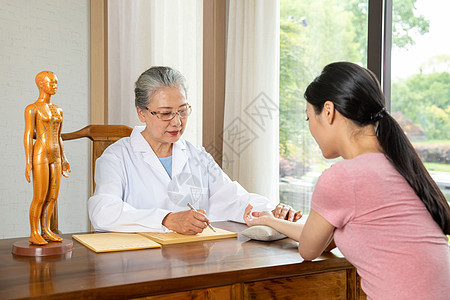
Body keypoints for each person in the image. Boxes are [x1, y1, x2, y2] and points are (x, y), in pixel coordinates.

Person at [244, 62, 450, 299]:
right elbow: (325, 239)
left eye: (308, 117)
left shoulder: (342, 177)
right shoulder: (401, 165)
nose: (310, 128)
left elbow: (310, 249)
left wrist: (271, 223)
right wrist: (272, 221)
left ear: (329, 111)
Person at [88, 66, 301, 235]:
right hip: (138, 265)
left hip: (191, 259)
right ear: (141, 113)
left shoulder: (196, 155)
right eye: (165, 113)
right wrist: (167, 219)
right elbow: (103, 212)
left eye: (183, 111)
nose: (177, 122)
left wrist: (271, 211)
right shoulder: (117, 157)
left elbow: (232, 197)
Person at [24, 71, 71, 245]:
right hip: (40, 153)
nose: (54, 85)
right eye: (51, 82)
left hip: (55, 154)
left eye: (56, 82)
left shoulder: (59, 109)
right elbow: (28, 135)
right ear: (41, 84)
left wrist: (64, 157)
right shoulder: (32, 108)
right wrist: (28, 161)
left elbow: (59, 135)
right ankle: (34, 232)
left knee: (53, 195)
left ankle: (46, 230)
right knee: (40, 196)